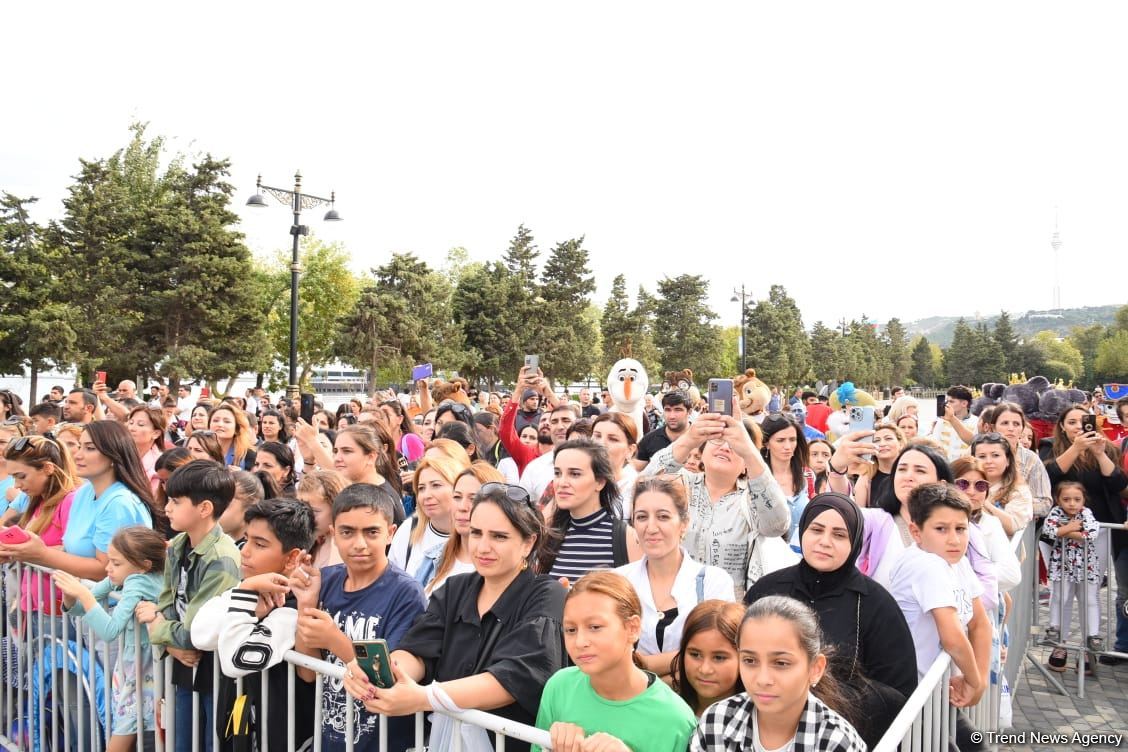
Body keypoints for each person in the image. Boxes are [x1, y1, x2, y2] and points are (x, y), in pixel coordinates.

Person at [340, 481, 567, 752]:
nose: (483, 547)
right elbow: (418, 650)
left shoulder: (547, 595)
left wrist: (425, 697)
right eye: (476, 533)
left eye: (499, 537)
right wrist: (382, 672)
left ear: (528, 542)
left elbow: (515, 678)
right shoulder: (455, 588)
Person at [745, 492, 917, 748]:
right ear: (802, 531)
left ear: (855, 541)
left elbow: (898, 693)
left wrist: (834, 697)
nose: (825, 542)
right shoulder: (768, 589)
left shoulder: (874, 603)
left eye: (839, 535)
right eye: (816, 530)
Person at [290, 483, 427, 752]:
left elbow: (388, 679)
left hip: (383, 741)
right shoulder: (326, 580)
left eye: (371, 532)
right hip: (330, 737)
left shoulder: (406, 593)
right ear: (333, 534)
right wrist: (306, 604)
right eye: (347, 532)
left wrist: (335, 640)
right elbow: (307, 673)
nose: (359, 544)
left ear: (390, 533)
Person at [191, 499, 318, 752]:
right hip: (241, 729)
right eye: (247, 539)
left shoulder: (293, 607)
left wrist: (246, 593)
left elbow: (235, 662)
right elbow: (199, 634)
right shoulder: (248, 590)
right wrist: (246, 595)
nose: (245, 551)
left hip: (282, 737)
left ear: (292, 557)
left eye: (259, 544)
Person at [136, 461, 242, 752]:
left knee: (210, 743)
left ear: (204, 508)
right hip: (183, 663)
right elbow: (167, 600)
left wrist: (157, 626)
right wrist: (171, 643)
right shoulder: (179, 544)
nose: (167, 508)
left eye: (175, 501)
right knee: (182, 741)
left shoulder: (221, 558)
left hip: (213, 670)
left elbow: (196, 632)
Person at [533, 570, 698, 752]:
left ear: (632, 628)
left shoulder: (675, 720)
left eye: (595, 627)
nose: (580, 642)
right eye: (571, 630)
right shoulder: (559, 687)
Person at [689, 595, 866, 752]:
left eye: (781, 663)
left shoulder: (837, 743)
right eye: (750, 660)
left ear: (815, 668)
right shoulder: (717, 723)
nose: (762, 679)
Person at [643, 410, 790, 598]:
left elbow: (778, 525)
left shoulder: (753, 500)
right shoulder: (680, 485)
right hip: (672, 601)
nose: (726, 448)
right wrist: (688, 440)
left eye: (735, 445)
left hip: (729, 607)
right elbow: (642, 486)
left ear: (746, 464)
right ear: (702, 453)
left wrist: (749, 451)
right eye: (718, 440)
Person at [888, 483, 991, 751]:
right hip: (911, 696)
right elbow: (952, 638)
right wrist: (974, 681)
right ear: (916, 532)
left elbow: (980, 623)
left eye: (961, 529)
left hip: (936, 694)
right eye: (941, 529)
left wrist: (978, 679)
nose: (954, 539)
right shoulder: (926, 564)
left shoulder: (957, 562)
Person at [53, 525, 165, 752]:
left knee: (124, 732)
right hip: (135, 665)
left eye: (116, 563)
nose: (108, 568)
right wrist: (71, 597)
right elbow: (84, 606)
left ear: (144, 565)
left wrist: (82, 594)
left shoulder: (138, 582)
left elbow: (110, 630)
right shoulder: (127, 575)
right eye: (109, 560)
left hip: (142, 670)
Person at [2, 421, 161, 580]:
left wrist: (42, 554)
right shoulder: (84, 492)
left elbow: (106, 570)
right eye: (80, 446)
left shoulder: (120, 503)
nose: (78, 455)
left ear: (114, 455)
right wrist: (19, 551)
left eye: (90, 448)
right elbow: (70, 552)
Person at [616, 475, 734, 680]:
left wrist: (644, 665)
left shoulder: (713, 581)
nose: (651, 528)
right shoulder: (618, 581)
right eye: (642, 517)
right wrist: (681, 662)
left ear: (684, 524)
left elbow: (718, 652)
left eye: (663, 517)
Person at [539, 439, 641, 582]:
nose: (562, 483)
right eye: (557, 473)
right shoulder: (550, 535)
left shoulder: (627, 538)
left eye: (575, 474)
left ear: (600, 482)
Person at [1043, 481, 1102, 674]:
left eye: (1077, 499)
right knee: (1060, 597)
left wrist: (1066, 531)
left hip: (1086, 565)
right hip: (1062, 564)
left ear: (1083, 500)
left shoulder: (1086, 513)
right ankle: (1057, 634)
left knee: (1089, 599)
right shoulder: (1055, 512)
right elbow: (1048, 532)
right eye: (1066, 499)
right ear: (1058, 499)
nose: (1072, 503)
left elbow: (1092, 533)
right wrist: (1072, 528)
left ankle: (1092, 637)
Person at [427, 463, 505, 597]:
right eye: (457, 497)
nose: (462, 507)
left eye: (474, 499)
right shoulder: (432, 557)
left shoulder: (502, 566)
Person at [389, 454, 463, 583]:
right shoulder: (409, 530)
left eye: (436, 485)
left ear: (457, 488)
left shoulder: (476, 536)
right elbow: (392, 583)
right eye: (421, 488)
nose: (426, 495)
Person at [672, 600, 746, 717]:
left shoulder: (758, 720)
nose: (705, 669)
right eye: (695, 654)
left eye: (719, 657)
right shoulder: (669, 710)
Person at [760, 414, 813, 546]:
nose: (788, 446)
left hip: (802, 553)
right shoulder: (756, 479)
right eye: (780, 440)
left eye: (792, 439)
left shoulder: (807, 476)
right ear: (766, 443)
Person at [969, 432, 1032, 535]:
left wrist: (984, 502)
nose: (988, 461)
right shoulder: (964, 485)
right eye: (982, 456)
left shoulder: (1019, 491)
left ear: (1008, 460)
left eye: (995, 455)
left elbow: (1012, 526)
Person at [296, 469, 347, 569]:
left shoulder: (341, 549)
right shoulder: (311, 539)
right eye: (302, 508)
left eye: (314, 511)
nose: (306, 516)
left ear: (336, 509)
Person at [591, 412, 640, 515]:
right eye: (597, 436)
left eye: (613, 439)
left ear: (630, 450)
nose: (601, 444)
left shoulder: (638, 490)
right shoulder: (574, 480)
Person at [632, 391, 692, 471]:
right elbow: (635, 472)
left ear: (689, 412)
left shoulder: (701, 439)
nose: (672, 416)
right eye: (667, 410)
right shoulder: (649, 440)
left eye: (678, 410)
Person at [853, 423, 905, 510]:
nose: (882, 444)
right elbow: (859, 513)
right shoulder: (866, 478)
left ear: (901, 444)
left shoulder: (910, 475)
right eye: (876, 440)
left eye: (888, 438)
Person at [126, 405, 167, 496]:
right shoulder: (117, 453)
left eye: (140, 424)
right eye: (131, 422)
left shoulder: (161, 464)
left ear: (156, 433)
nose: (131, 428)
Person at [929, 386, 978, 461]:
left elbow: (975, 443)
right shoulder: (941, 420)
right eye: (947, 401)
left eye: (951, 401)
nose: (947, 404)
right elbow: (934, 442)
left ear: (964, 403)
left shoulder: (976, 422)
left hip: (964, 465)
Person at [209, 404, 257, 471]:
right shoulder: (201, 450)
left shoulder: (249, 455)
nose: (220, 424)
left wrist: (242, 475)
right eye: (215, 420)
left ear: (237, 428)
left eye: (227, 421)